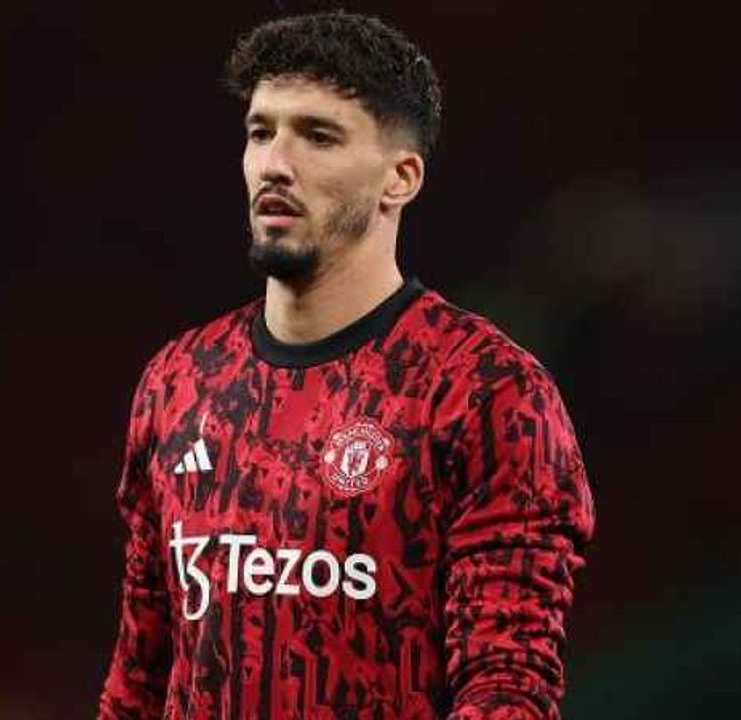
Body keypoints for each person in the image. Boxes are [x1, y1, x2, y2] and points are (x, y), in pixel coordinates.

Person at [98, 11, 595, 720]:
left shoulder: (484, 392)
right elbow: (138, 680)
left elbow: (507, 686)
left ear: (400, 178)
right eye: (261, 132)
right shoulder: (179, 382)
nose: (275, 164)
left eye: (318, 136)